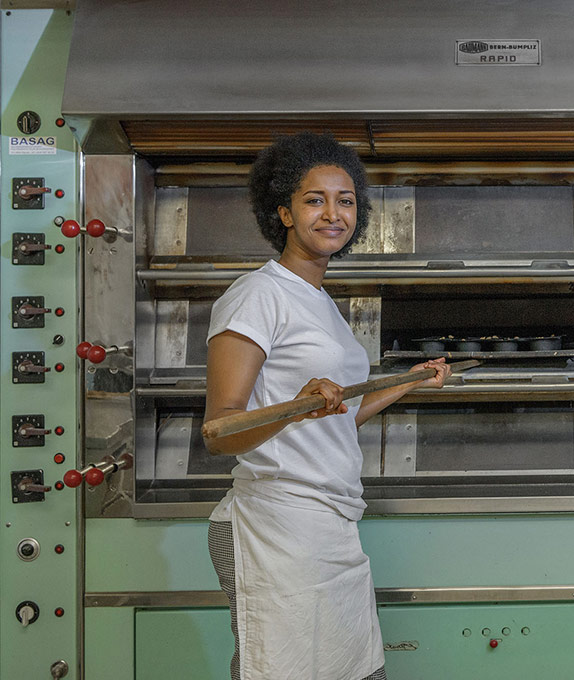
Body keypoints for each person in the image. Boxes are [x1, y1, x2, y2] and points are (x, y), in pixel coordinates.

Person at [203, 132, 451, 680]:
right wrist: (295, 406)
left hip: (330, 523)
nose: (333, 214)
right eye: (315, 199)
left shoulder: (320, 303)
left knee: (357, 671)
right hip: (277, 524)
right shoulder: (257, 295)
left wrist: (406, 382)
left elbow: (334, 422)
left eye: (346, 201)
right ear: (284, 212)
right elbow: (218, 431)